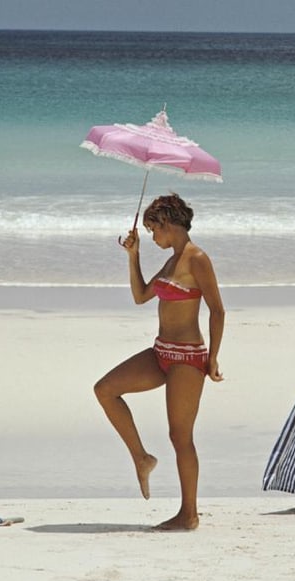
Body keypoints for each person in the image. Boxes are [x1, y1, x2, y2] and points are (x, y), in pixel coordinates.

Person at [93, 193, 225, 531]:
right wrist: (133, 255)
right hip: (160, 352)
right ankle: (141, 458)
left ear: (169, 223)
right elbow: (141, 296)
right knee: (105, 390)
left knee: (180, 436)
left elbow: (218, 310)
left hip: (187, 357)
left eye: (154, 230)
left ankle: (189, 514)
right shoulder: (171, 261)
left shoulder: (197, 259)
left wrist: (213, 357)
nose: (153, 237)